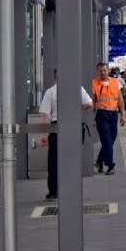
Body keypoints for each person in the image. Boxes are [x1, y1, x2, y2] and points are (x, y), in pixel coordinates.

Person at [37, 69, 93, 200]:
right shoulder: (77, 88)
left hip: (57, 128)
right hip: (74, 127)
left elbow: (45, 114)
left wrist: (44, 135)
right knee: (73, 158)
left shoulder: (50, 92)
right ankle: (73, 188)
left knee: (54, 160)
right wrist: (75, 108)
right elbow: (89, 104)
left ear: (54, 77)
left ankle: (54, 191)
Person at [92, 62, 126, 174]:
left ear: (108, 71)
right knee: (106, 140)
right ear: (98, 71)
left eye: (104, 70)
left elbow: (120, 99)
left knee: (111, 140)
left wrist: (123, 115)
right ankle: (111, 165)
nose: (102, 72)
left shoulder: (116, 82)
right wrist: (92, 118)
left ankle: (99, 160)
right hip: (101, 115)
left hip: (113, 114)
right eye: (100, 71)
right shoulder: (94, 83)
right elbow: (93, 102)